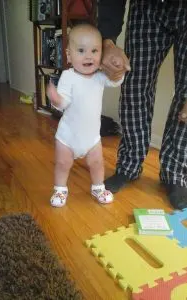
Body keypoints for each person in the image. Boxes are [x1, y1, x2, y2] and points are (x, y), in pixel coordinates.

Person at [98, 0, 187, 209]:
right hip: (146, 7)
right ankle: (128, 166)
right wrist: (107, 41)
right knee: (134, 86)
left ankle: (175, 174)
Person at [46, 23, 123, 207]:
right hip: (68, 137)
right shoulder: (68, 76)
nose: (88, 56)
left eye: (94, 51)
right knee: (63, 164)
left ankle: (98, 187)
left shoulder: (99, 76)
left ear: (101, 55)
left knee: (97, 163)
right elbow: (64, 102)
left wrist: (118, 70)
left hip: (92, 137)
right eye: (81, 50)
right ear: (69, 55)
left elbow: (115, 81)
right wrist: (56, 99)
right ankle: (60, 189)